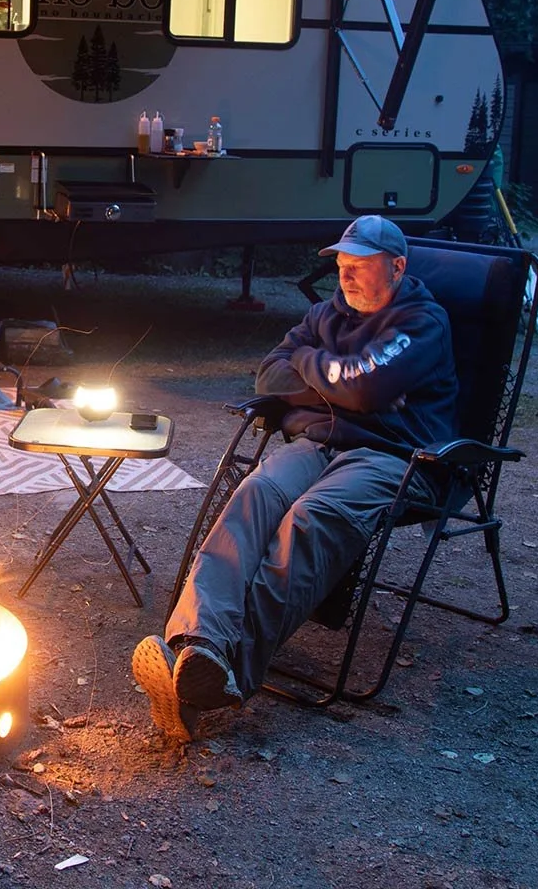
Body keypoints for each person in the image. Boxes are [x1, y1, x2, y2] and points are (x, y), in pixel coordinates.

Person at [133, 215, 459, 742]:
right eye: (342, 266)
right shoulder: (326, 313)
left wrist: (308, 365)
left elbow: (364, 393)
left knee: (313, 516)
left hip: (399, 456)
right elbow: (270, 374)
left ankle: (228, 670)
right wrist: (335, 376)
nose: (346, 277)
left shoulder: (422, 322)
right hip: (321, 443)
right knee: (256, 493)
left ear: (396, 268)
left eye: (360, 266)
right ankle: (198, 645)